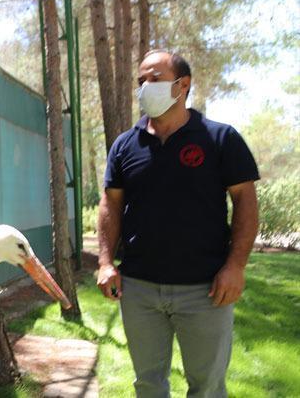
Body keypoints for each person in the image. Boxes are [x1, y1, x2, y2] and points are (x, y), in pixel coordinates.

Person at [96, 50, 259, 397]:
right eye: (141, 81)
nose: (144, 87)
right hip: (139, 289)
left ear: (182, 85)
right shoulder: (125, 146)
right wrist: (106, 262)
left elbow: (245, 200)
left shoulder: (220, 139)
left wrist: (236, 266)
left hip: (205, 291)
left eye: (154, 78)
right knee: (148, 385)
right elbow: (110, 205)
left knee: (208, 387)